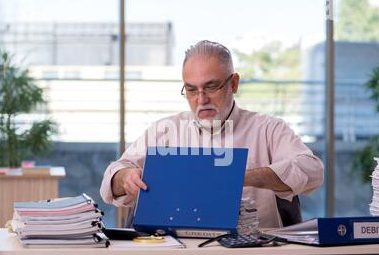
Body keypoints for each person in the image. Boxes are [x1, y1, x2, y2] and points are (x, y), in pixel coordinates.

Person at [100, 40, 324, 228]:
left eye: (211, 87)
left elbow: (313, 170)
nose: (201, 99)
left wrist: (240, 177)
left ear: (234, 83)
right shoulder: (165, 130)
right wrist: (125, 177)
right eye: (191, 89)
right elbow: (111, 179)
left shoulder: (268, 129)